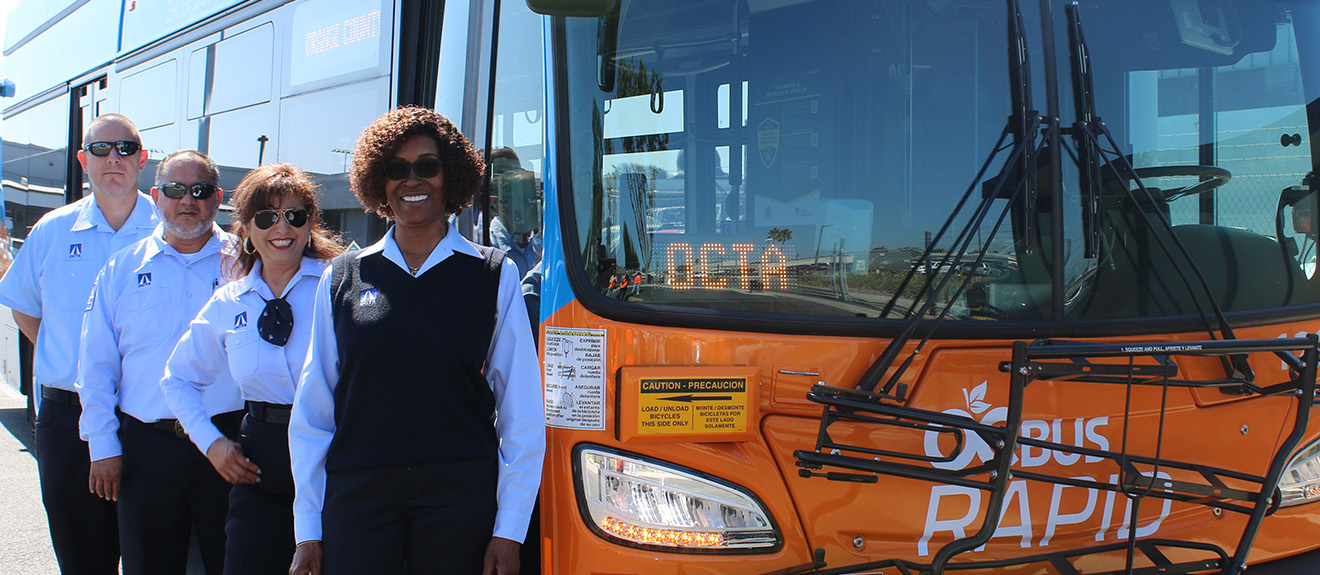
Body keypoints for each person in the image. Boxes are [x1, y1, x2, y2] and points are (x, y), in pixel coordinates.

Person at [288, 106, 545, 575]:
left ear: (451, 176)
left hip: (459, 496)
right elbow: (313, 412)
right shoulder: (342, 276)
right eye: (396, 169)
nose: (413, 180)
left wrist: (509, 529)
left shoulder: (492, 275)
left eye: (427, 166)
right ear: (378, 182)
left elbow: (521, 412)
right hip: (358, 497)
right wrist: (308, 528)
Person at [161, 163, 345, 575]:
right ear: (245, 227)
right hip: (260, 468)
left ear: (310, 223)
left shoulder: (341, 288)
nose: (282, 228)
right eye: (266, 217)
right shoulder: (229, 302)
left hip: (334, 462)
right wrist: (211, 443)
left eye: (295, 215)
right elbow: (178, 379)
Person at [0, 113, 159, 575]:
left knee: (157, 556)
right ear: (82, 160)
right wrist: (76, 360)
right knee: (82, 557)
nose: (114, 158)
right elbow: (25, 308)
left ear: (143, 160)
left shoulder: (169, 229)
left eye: (126, 149)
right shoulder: (52, 230)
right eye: (102, 149)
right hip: (67, 422)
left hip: (148, 420)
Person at [78, 149, 243, 575]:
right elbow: (96, 366)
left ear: (217, 197)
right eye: (175, 190)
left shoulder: (247, 264)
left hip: (229, 445)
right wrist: (103, 446)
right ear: (156, 195)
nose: (187, 200)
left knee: (236, 563)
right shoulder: (121, 268)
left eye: (200, 190)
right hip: (147, 450)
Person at [485, 147, 542, 280]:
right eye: (527, 199)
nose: (535, 207)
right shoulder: (485, 244)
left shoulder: (538, 247)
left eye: (536, 200)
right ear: (499, 204)